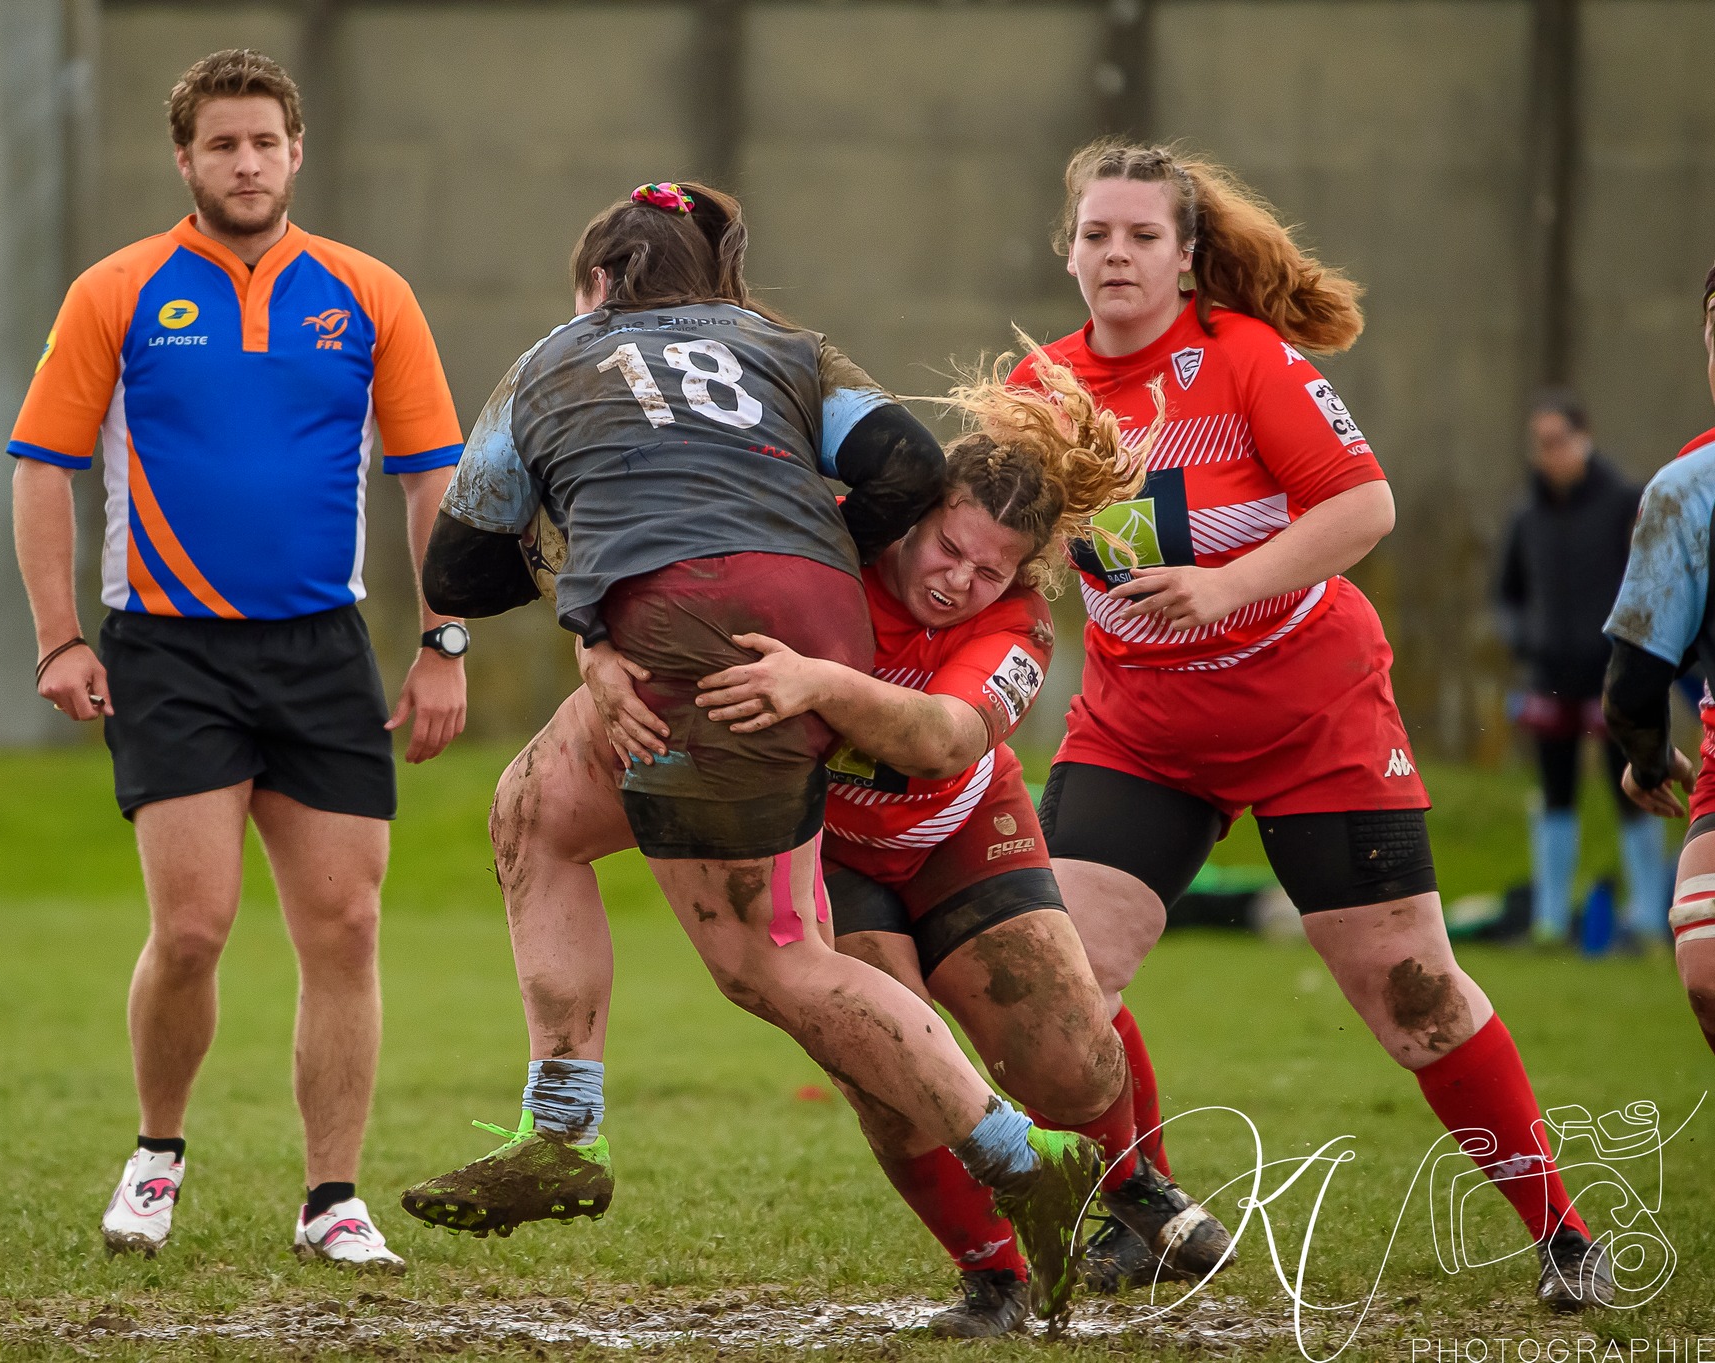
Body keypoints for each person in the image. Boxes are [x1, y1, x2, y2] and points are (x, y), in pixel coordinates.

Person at [410, 181, 1106, 1325]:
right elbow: (902, 459)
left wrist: (598, 588)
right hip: (751, 629)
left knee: (772, 962)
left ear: (598, 282)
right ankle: (558, 1125)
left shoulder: (552, 358)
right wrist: (653, 607)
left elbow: (455, 571)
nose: (958, 578)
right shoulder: (782, 346)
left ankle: (1026, 1160)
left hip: (711, 650)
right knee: (533, 811)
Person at [473, 347, 1237, 1336]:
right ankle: (997, 1278)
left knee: (1067, 1054)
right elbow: (660, 577)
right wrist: (595, 649)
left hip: (956, 826)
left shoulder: (1017, 627)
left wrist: (822, 683)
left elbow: (943, 739)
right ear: (910, 516)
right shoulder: (819, 549)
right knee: (888, 1077)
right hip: (828, 845)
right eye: (947, 549)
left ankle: (1131, 1186)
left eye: (990, 569)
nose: (959, 581)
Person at [1006, 140, 1613, 1311]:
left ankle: (1562, 1233)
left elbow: (1362, 503)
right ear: (1066, 252)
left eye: (1141, 235)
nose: (1116, 254)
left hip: (1311, 716)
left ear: (1186, 258)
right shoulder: (1041, 390)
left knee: (1412, 994)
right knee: (1052, 988)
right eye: (1095, 235)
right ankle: (1145, 1212)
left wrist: (1227, 587)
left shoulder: (1244, 359)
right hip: (1142, 729)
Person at [8, 49, 469, 1268]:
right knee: (195, 928)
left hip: (321, 649)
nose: (247, 163)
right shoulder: (117, 289)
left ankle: (332, 1199)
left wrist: (443, 642)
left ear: (296, 150)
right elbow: (41, 466)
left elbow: (434, 481)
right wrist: (59, 637)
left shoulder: (370, 293)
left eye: (265, 141)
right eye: (222, 144)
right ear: (185, 159)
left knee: (346, 926)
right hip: (168, 652)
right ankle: (156, 1154)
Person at [1601, 257, 1715, 1055]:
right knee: (1705, 957)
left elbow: (1634, 686)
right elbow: (1635, 681)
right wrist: (1646, 752)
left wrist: (1644, 753)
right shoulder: (1687, 489)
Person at [1495, 389, 1658, 946]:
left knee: (1633, 790)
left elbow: (1652, 581)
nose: (1549, 453)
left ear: (1582, 438)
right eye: (1539, 443)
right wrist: (1526, 641)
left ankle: (1650, 917)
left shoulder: (1625, 503)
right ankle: (1549, 918)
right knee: (1555, 796)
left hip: (1615, 678)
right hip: (1550, 681)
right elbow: (1508, 594)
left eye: (1558, 440)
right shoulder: (1526, 515)